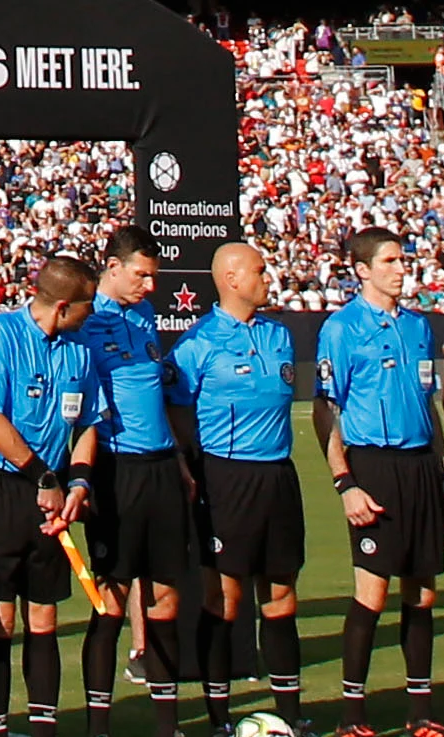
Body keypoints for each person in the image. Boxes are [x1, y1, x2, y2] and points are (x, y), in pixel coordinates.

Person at [315, 228, 444, 735]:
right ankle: (353, 714)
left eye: (402, 259)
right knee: (371, 593)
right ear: (362, 269)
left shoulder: (417, 327)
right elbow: (327, 410)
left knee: (422, 594)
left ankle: (421, 712)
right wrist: (345, 482)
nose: (400, 268)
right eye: (389, 260)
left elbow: (429, 406)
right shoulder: (342, 328)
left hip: (421, 466)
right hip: (373, 465)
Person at [0, 256, 91, 737]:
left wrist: (77, 482)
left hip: (49, 489)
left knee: (45, 613)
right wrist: (42, 478)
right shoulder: (0, 335)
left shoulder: (79, 349)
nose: (91, 314)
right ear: (63, 306)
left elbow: (91, 422)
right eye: (86, 306)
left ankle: (43, 726)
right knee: (0, 616)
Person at [177, 243, 304, 737]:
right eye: (259, 270)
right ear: (231, 279)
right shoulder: (197, 344)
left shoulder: (279, 336)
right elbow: (177, 413)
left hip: (278, 476)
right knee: (224, 599)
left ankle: (292, 717)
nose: (267, 276)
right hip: (226, 479)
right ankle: (219, 719)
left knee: (281, 596)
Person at [72, 233, 193, 734]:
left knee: (166, 593)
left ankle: (167, 722)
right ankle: (98, 723)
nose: (149, 285)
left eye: (154, 276)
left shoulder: (143, 315)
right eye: (141, 274)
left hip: (162, 467)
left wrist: (181, 462)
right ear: (112, 267)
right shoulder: (82, 322)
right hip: (115, 471)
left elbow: (154, 397)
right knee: (112, 596)